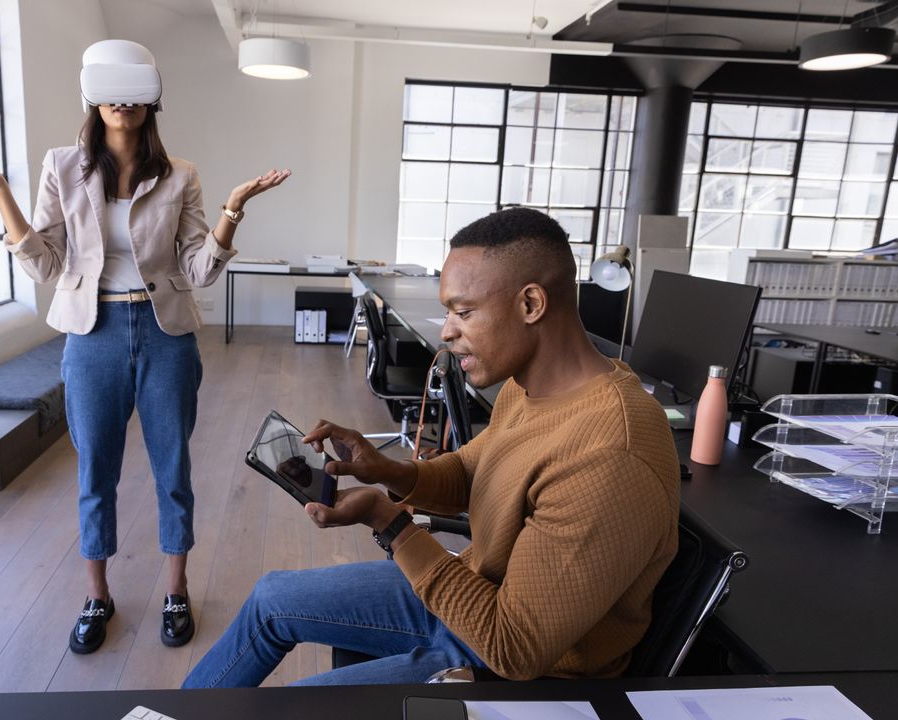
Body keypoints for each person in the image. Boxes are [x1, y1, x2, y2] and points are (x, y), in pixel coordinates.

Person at [182, 207, 680, 687]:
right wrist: (386, 471)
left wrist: (390, 523)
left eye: (463, 312)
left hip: (511, 665)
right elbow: (470, 473)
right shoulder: (528, 388)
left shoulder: (610, 451)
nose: (446, 333)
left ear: (531, 304)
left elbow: (516, 648)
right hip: (469, 598)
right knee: (272, 598)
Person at [0, 39, 289, 655]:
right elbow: (44, 264)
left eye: (135, 89)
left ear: (152, 98)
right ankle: (97, 596)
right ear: (92, 93)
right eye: (111, 88)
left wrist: (233, 209)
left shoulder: (181, 175)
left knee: (172, 469)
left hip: (165, 333)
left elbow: (199, 272)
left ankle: (176, 588)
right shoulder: (62, 166)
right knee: (96, 471)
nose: (123, 101)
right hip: (90, 337)